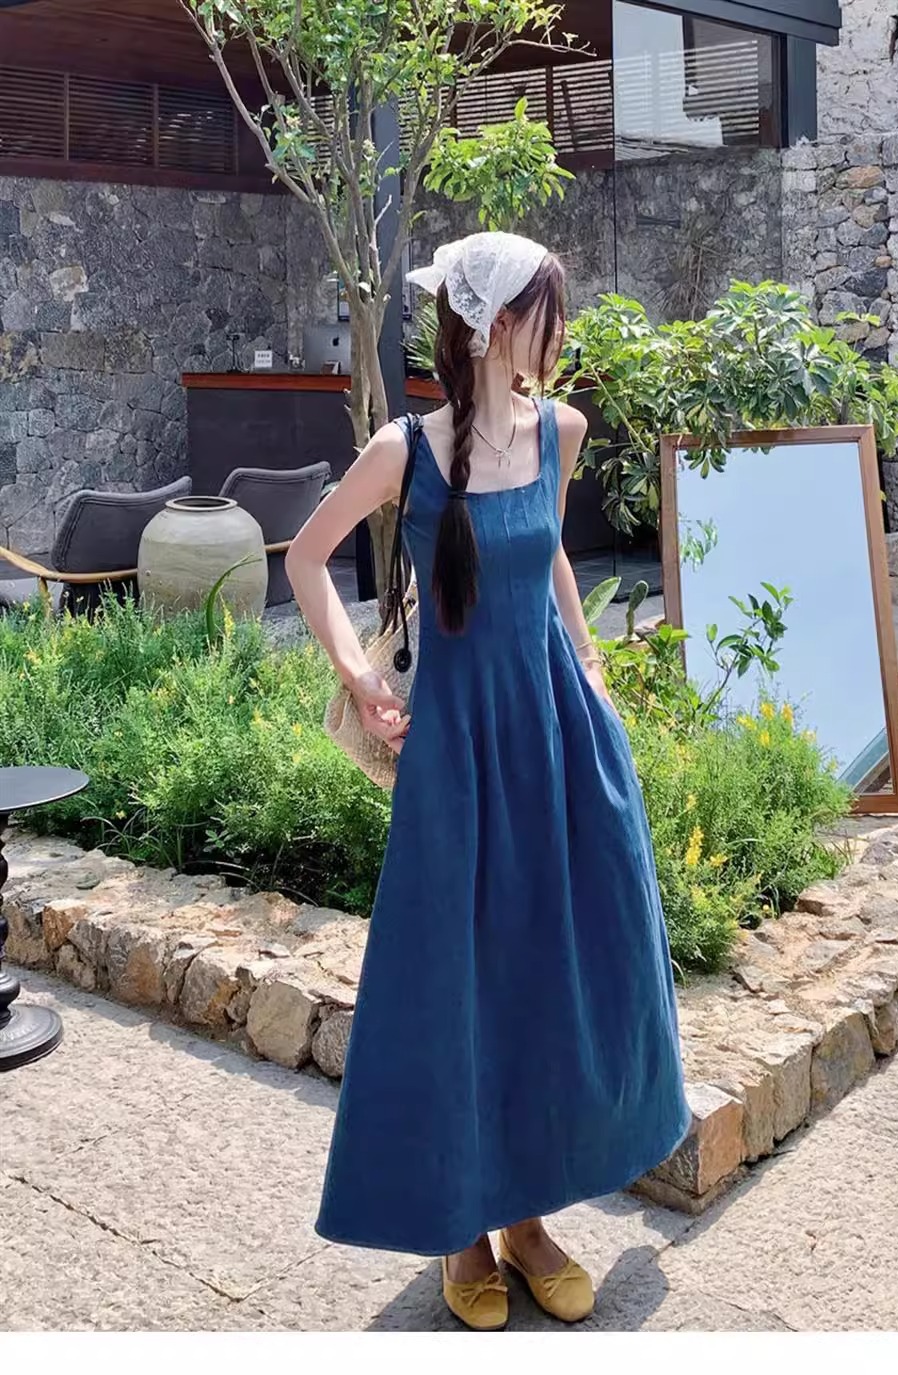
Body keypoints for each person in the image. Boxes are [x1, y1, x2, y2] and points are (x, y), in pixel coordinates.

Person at [286, 232, 690, 1332]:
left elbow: (547, 550)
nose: (564, 332)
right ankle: (461, 1227)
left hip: (555, 729)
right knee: (455, 979)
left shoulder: (561, 430)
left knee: (555, 966)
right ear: (497, 324)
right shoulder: (404, 450)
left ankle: (527, 1216)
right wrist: (360, 674)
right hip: (459, 746)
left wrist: (590, 659)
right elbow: (305, 556)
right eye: (550, 312)